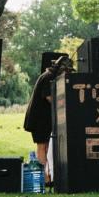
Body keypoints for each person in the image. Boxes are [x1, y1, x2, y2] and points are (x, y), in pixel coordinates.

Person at [23, 55, 74, 183]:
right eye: (66, 71)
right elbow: (49, 98)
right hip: (39, 119)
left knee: (45, 146)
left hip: (43, 118)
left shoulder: (49, 75)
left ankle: (48, 176)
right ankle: (44, 179)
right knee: (42, 147)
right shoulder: (49, 77)